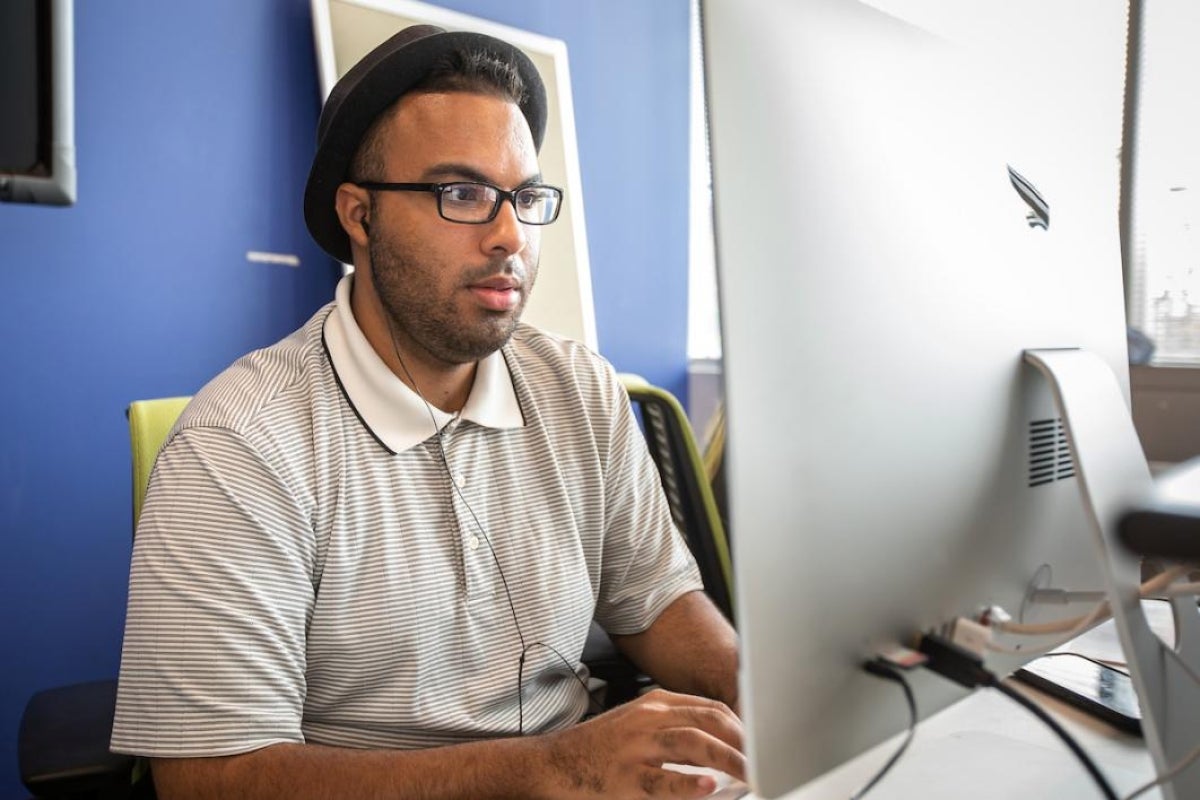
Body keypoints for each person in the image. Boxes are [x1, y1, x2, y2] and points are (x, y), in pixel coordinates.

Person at [111, 24, 742, 800]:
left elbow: (660, 606)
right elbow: (212, 779)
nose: (510, 235)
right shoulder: (241, 445)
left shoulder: (579, 390)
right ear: (359, 214)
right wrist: (557, 766)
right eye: (463, 194)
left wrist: (776, 709)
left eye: (524, 198)